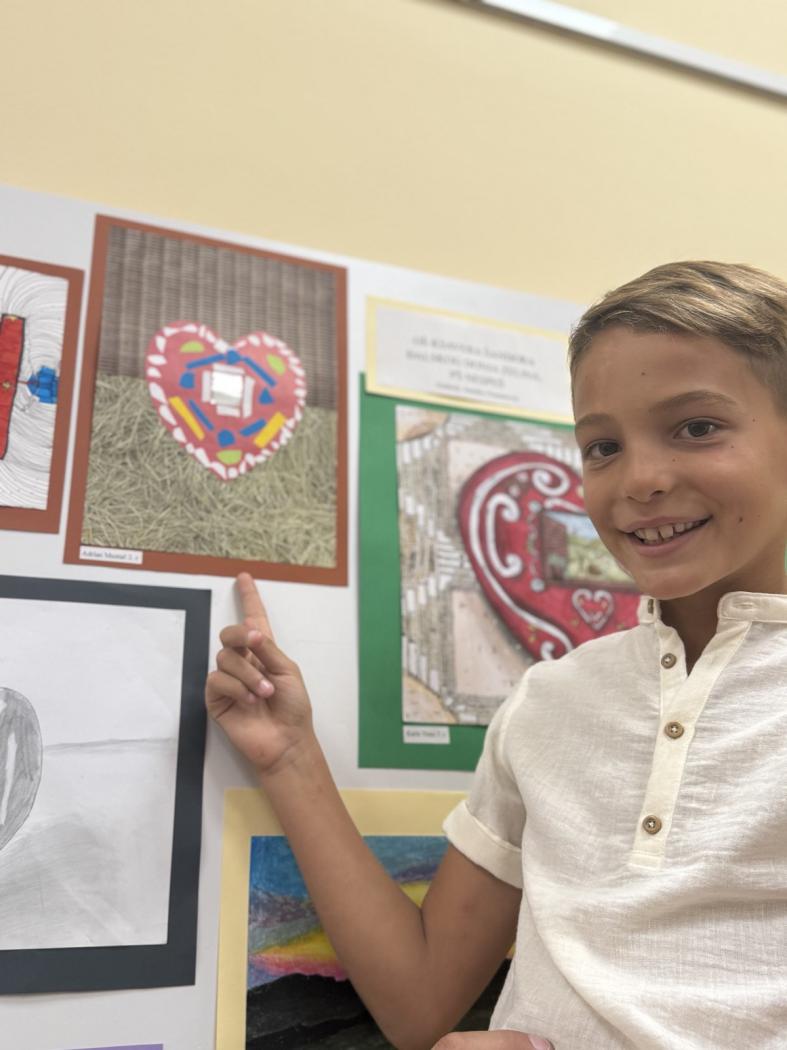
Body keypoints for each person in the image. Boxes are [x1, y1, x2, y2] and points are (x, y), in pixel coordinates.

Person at [206, 261, 787, 1050]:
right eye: (602, 445)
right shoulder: (550, 700)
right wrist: (290, 758)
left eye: (696, 428)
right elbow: (418, 1001)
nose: (640, 479)